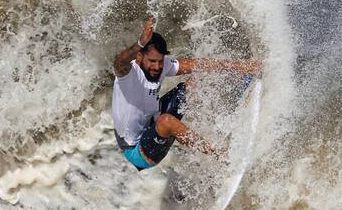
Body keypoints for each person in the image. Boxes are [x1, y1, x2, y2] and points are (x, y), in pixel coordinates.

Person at [111, 15, 261, 171]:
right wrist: (140, 43)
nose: (156, 67)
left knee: (193, 84)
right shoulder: (128, 74)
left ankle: (243, 84)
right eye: (152, 61)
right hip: (137, 150)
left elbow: (198, 65)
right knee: (166, 122)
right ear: (140, 56)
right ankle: (223, 156)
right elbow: (119, 62)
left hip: (151, 122)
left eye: (160, 61)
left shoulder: (162, 65)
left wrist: (240, 66)